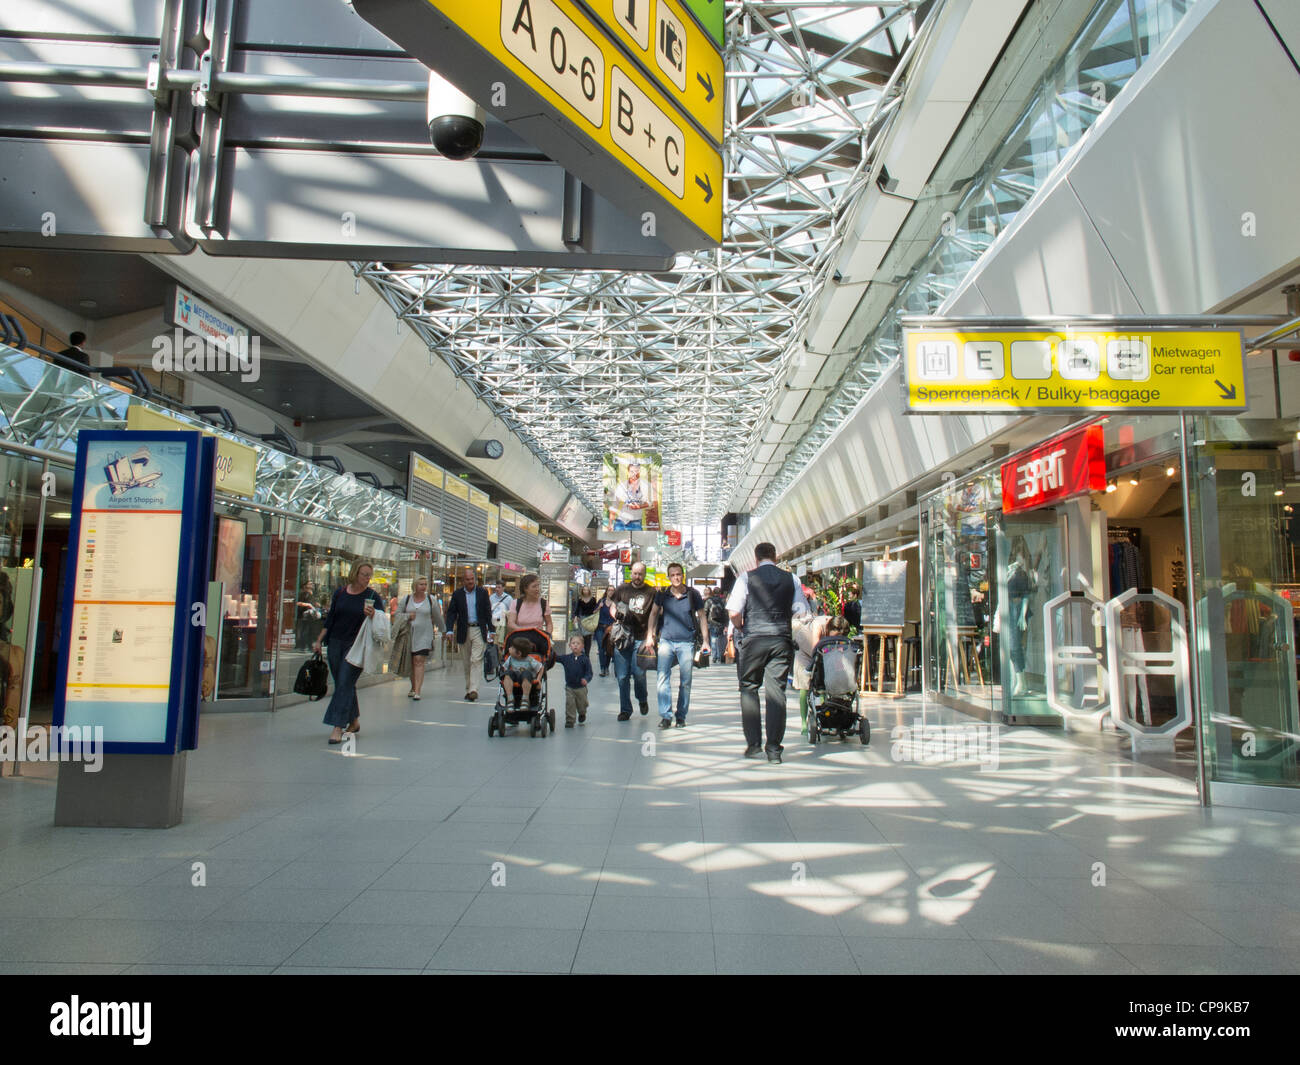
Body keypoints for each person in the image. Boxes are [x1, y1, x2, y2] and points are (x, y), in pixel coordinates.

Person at [727, 542, 810, 763]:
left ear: (756, 559)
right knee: (776, 693)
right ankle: (774, 750)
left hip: (753, 640)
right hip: (781, 640)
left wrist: (740, 626)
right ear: (776, 556)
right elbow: (802, 612)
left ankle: (754, 744)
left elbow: (734, 611)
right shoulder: (791, 579)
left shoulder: (746, 578)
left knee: (749, 687)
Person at [314, 560, 384, 744]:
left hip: (357, 646)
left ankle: (337, 726)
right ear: (355, 574)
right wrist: (320, 640)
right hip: (336, 643)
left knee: (345, 682)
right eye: (364, 574)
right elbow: (331, 619)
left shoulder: (372, 595)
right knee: (343, 683)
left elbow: (383, 620)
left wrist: (373, 614)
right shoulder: (340, 593)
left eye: (370, 575)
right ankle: (354, 721)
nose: (367, 578)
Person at [648, 562, 707, 729]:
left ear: (683, 576)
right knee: (662, 678)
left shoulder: (693, 594)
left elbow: (702, 616)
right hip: (666, 640)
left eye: (678, 574)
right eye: (672, 575)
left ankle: (681, 716)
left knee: (686, 680)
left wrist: (706, 641)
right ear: (669, 577)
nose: (676, 577)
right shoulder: (662, 595)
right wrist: (649, 635)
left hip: (687, 642)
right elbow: (653, 613)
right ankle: (666, 716)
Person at [611, 562, 656, 720]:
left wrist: (652, 635)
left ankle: (642, 698)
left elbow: (655, 613)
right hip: (623, 637)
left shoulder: (651, 592)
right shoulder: (622, 589)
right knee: (622, 676)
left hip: (641, 638)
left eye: (640, 574)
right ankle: (625, 709)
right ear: (631, 573)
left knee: (639, 674)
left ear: (644, 574)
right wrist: (616, 616)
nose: (637, 577)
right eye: (635, 573)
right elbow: (612, 605)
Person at [445, 566, 492, 701]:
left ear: (475, 579)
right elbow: (452, 613)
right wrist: (449, 629)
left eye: (472, 579)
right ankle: (468, 687)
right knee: (466, 661)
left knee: (476, 659)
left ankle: (473, 689)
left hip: (479, 629)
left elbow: (488, 612)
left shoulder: (482, 593)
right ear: (463, 581)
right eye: (468, 579)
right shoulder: (457, 594)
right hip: (463, 629)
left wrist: (492, 629)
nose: (471, 581)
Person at [400, 576, 443, 700]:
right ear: (415, 585)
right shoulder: (407, 599)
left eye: (425, 584)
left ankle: (418, 690)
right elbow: (397, 614)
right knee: (412, 661)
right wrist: (407, 616)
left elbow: (437, 616)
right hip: (409, 635)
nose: (423, 587)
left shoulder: (431, 600)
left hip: (425, 634)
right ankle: (413, 687)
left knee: (419, 660)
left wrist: (444, 630)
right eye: (421, 584)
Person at [793, 613, 836, 735]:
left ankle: (823, 717)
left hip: (823, 652)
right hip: (806, 649)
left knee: (823, 684)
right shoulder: (819, 625)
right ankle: (803, 722)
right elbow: (815, 648)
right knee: (804, 685)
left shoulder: (838, 625)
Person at [556, 634, 593, 727]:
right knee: (570, 703)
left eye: (578, 643)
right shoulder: (566, 658)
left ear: (583, 646)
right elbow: (556, 658)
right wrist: (550, 651)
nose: (575, 645)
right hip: (570, 687)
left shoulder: (585, 659)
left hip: (581, 687)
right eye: (573, 643)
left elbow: (589, 672)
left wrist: (586, 679)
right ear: (569, 645)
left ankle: (582, 713)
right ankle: (570, 720)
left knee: (582, 704)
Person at [502, 635, 543, 709]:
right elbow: (505, 668)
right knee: (508, 673)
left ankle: (525, 698)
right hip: (515, 677)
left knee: (526, 673)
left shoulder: (529, 660)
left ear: (518, 653)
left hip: (526, 678)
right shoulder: (510, 658)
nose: (509, 649)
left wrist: (538, 680)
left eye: (512, 648)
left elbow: (541, 668)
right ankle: (510, 698)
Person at [611, 460, 652, 531]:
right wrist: (610, 523)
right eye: (632, 471)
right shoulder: (621, 485)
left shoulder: (646, 485)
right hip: (619, 522)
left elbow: (649, 502)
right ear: (628, 472)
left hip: (635, 522)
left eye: (637, 471)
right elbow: (614, 504)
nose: (634, 474)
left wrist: (639, 506)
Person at [594, 585, 618, 677]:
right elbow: (594, 612)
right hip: (600, 627)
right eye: (609, 590)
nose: (611, 592)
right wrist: (599, 607)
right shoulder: (601, 601)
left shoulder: (615, 603)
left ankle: (606, 667)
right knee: (601, 648)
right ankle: (602, 668)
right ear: (606, 591)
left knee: (608, 648)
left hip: (610, 629)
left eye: (612, 590)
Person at [572, 583, 599, 659]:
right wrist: (575, 617)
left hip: (589, 620)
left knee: (588, 637)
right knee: (582, 637)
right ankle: (583, 652)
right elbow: (577, 609)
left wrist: (598, 608)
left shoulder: (593, 599)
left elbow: (594, 610)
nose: (585, 591)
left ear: (589, 591)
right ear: (582, 591)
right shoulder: (580, 600)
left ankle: (587, 653)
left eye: (587, 590)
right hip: (582, 619)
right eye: (584, 589)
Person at [706, 588, 729, 665]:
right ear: (720, 592)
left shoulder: (709, 600)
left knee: (713, 639)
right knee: (720, 640)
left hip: (712, 622)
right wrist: (726, 624)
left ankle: (714, 656)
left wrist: (705, 622)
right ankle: (720, 656)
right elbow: (726, 613)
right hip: (721, 623)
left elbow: (705, 611)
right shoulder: (723, 601)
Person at [489, 580, 514, 644]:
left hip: (503, 624)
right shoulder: (491, 597)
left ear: (503, 588)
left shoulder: (509, 598)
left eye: (499, 587)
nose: (497, 589)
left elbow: (511, 612)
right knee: (492, 641)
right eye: (496, 587)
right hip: (493, 623)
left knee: (500, 642)